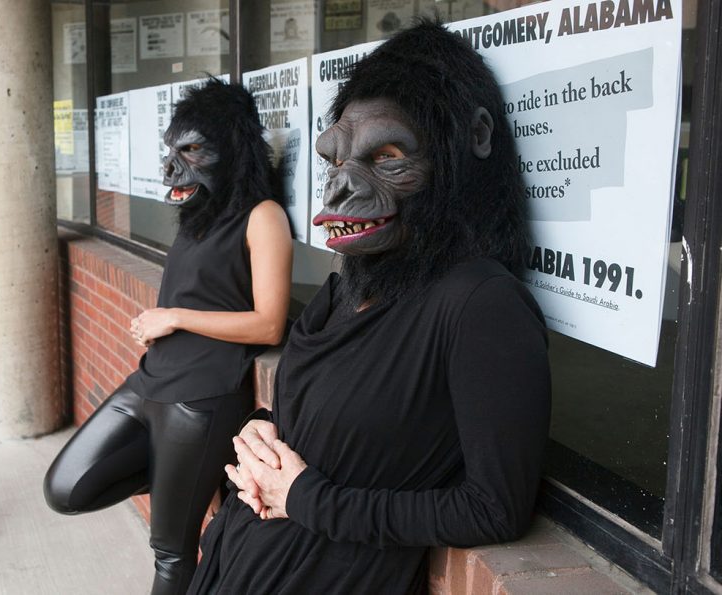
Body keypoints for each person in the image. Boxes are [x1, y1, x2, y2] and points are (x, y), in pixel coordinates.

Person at [188, 22, 552, 594]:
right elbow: (310, 421)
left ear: (472, 139)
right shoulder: (344, 289)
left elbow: (494, 510)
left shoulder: (481, 305)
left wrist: (307, 499)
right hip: (239, 559)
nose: (337, 189)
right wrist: (258, 435)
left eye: (385, 157)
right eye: (336, 160)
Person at [44, 78, 293, 595]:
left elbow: (269, 323)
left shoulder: (263, 217)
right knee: (66, 487)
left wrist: (175, 317)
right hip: (150, 382)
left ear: (233, 150)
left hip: (201, 398)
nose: (173, 166)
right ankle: (192, 474)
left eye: (192, 150)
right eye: (171, 151)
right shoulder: (197, 216)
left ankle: (192, 473)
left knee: (171, 555)